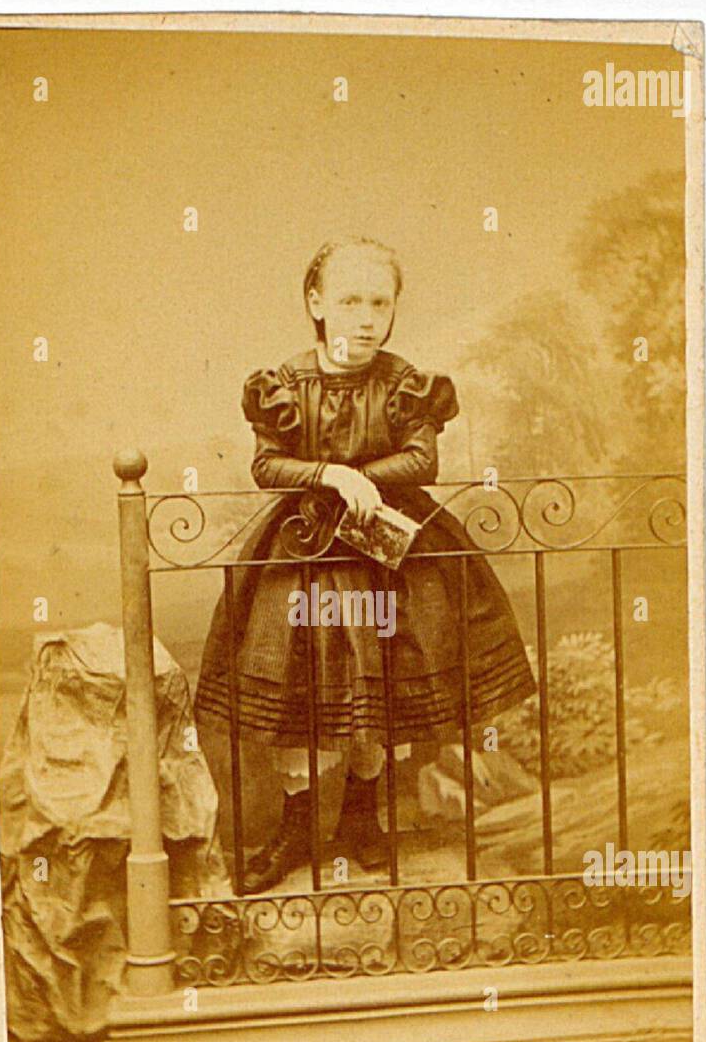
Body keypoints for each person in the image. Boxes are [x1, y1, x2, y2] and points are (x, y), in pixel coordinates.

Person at [194, 236, 535, 894]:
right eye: (349, 299)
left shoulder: (405, 384)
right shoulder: (285, 385)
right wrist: (327, 476)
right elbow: (266, 466)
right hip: (305, 552)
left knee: (379, 682)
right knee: (304, 686)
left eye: (380, 301)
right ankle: (296, 827)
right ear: (316, 303)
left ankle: (360, 816)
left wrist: (358, 480)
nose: (365, 316)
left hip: (394, 555)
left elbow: (422, 460)